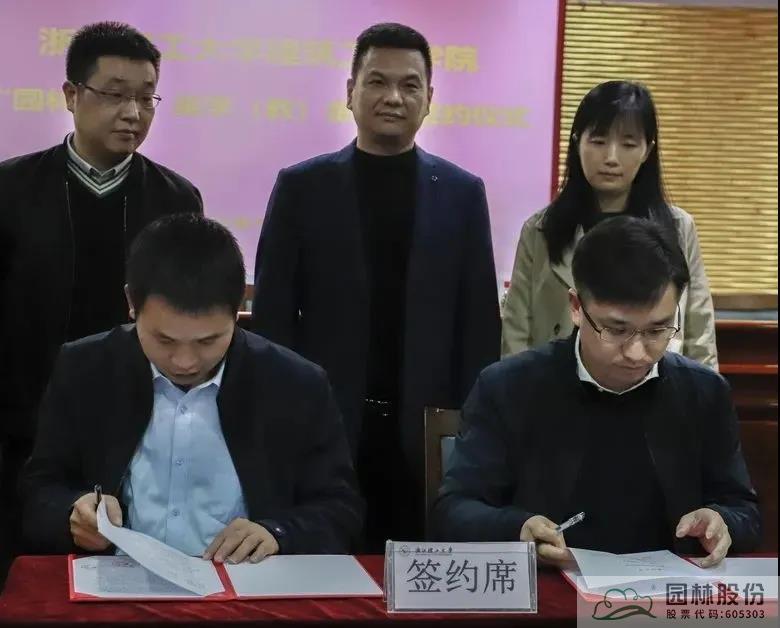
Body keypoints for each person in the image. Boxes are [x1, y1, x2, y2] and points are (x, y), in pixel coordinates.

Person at [251, 22, 500, 549]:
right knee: (320, 567)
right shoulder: (302, 187)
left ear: (429, 98)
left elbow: (477, 322)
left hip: (425, 429)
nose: (393, 97)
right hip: (325, 422)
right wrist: (282, 413)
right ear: (350, 92)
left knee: (418, 569)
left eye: (410, 85)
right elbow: (273, 317)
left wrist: (466, 428)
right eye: (377, 81)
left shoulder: (461, 193)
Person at [21, 214, 362, 559]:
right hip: (118, 577)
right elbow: (38, 490)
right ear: (131, 303)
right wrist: (73, 511)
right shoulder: (85, 369)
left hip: (244, 581)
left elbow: (340, 508)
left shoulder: (295, 383)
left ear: (238, 310)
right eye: (164, 340)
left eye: (207, 341)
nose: (185, 362)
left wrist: (278, 533)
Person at [433, 216, 760, 567]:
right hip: (551, 587)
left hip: (666, 591)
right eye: (616, 330)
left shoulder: (704, 393)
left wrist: (722, 521)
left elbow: (744, 511)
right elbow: (454, 510)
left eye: (657, 330)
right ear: (577, 308)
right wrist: (518, 528)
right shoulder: (508, 387)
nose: (637, 353)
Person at [0, 22, 202, 577]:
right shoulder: (12, 190)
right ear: (72, 95)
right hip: (20, 422)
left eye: (146, 97)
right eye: (114, 94)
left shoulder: (176, 199)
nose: (132, 112)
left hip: (135, 426)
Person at [501, 80, 717, 370]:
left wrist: (704, 394)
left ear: (647, 150)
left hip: (655, 385)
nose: (611, 158)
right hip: (557, 388)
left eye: (628, 144)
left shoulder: (678, 229)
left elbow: (700, 335)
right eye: (598, 141)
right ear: (577, 142)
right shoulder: (541, 230)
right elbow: (516, 334)